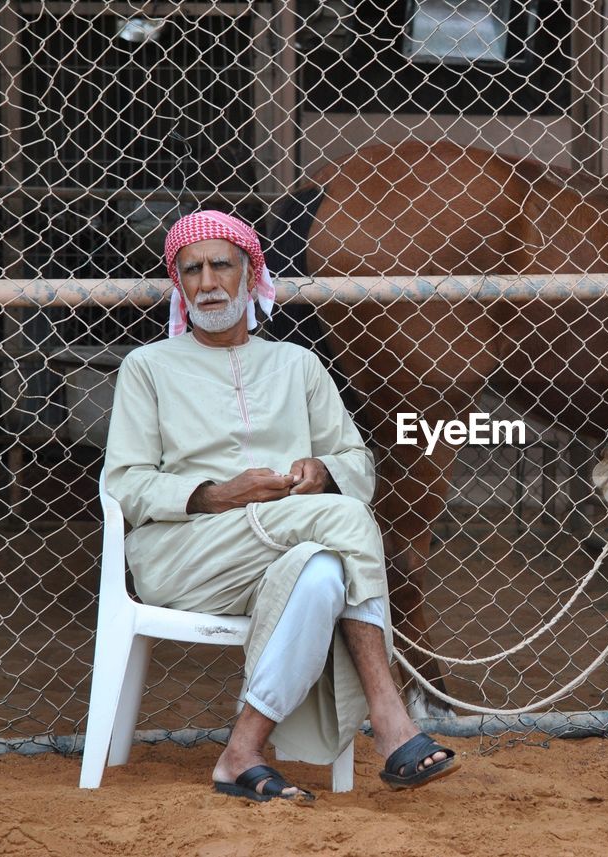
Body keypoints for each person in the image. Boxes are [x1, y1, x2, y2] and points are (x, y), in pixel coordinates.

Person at [104, 210, 457, 801]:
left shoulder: (298, 364)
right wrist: (216, 494)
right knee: (346, 520)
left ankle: (240, 753)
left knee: (323, 574)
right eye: (192, 270)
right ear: (179, 284)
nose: (208, 282)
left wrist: (324, 471)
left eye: (222, 265)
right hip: (187, 551)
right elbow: (125, 482)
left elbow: (356, 461)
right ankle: (390, 718)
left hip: (287, 547)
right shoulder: (148, 368)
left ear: (251, 273)